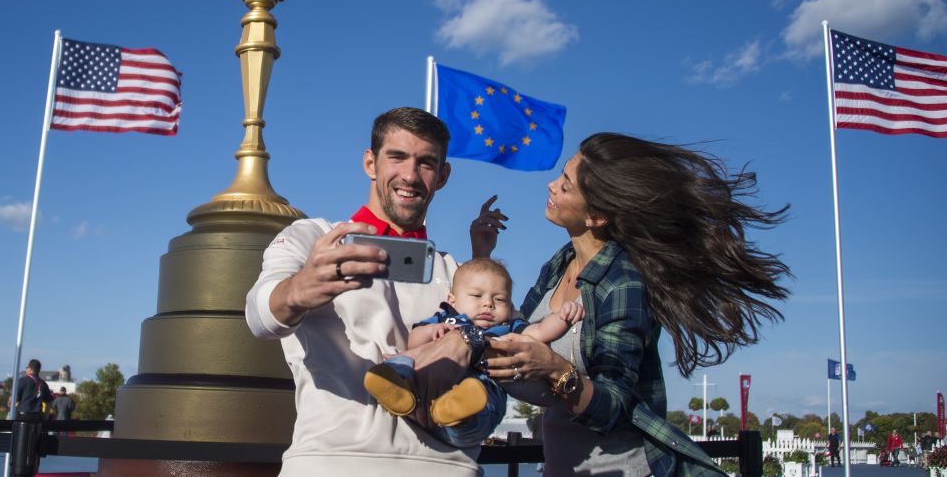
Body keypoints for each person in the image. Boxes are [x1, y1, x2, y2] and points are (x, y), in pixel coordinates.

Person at [481, 133, 791, 477]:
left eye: (566, 185)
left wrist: (554, 369)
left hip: (622, 468)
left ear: (596, 215)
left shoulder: (624, 280)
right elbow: (516, 332)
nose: (552, 186)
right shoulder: (559, 264)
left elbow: (614, 405)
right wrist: (483, 255)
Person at [245, 107, 484, 476]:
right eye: (397, 157)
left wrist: (469, 339)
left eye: (425, 162)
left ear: (442, 176)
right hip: (330, 464)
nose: (409, 175)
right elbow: (259, 317)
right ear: (370, 163)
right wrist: (299, 290)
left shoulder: (457, 273)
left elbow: (508, 350)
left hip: (447, 467)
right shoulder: (312, 238)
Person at [364, 257, 584, 447]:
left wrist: (562, 317)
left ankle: (458, 415)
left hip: (479, 385)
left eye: (499, 299)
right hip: (426, 380)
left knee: (484, 397)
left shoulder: (508, 328)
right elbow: (414, 341)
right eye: (477, 296)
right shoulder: (446, 318)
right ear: (452, 300)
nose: (488, 304)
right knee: (403, 359)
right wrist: (433, 330)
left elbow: (541, 331)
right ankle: (396, 387)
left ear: (510, 306)